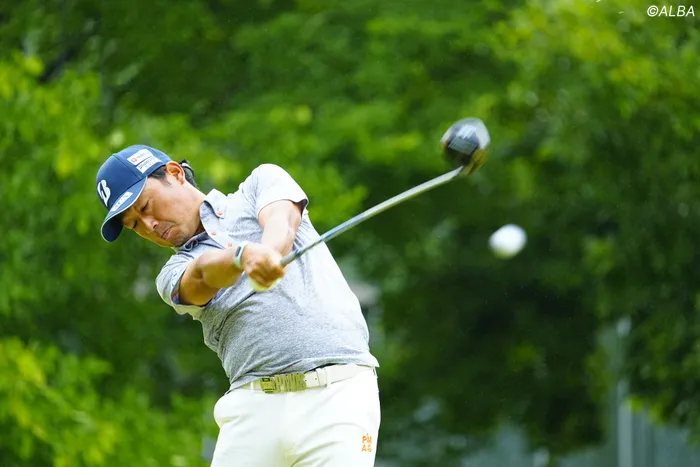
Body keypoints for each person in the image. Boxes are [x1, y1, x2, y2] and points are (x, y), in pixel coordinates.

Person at [95, 145, 381, 466]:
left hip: (338, 393)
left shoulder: (259, 184)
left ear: (174, 173)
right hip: (253, 408)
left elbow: (282, 220)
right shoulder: (171, 274)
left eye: (146, 206)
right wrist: (242, 257)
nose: (148, 226)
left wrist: (269, 251)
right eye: (134, 225)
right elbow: (202, 274)